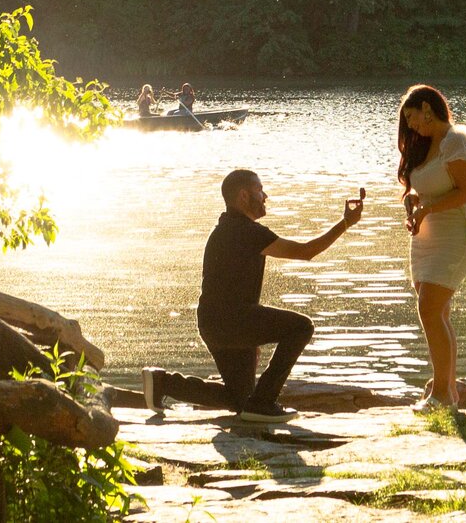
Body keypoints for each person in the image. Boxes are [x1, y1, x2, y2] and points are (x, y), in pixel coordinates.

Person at [143, 169, 362, 424]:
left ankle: (164, 383)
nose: (265, 195)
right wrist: (345, 223)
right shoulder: (247, 232)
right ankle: (264, 402)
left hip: (214, 324)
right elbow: (306, 252)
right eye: (260, 190)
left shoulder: (225, 228)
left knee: (239, 400)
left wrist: (251, 336)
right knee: (301, 327)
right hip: (232, 322)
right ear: (244, 196)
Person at [396, 85, 466, 408]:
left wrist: (428, 209)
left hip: (456, 236)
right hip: (425, 238)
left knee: (428, 309)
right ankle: (450, 392)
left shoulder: (456, 140)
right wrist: (413, 204)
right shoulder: (424, 145)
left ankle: (441, 393)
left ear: (427, 108)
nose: (411, 125)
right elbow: (421, 189)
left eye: (412, 117)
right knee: (438, 313)